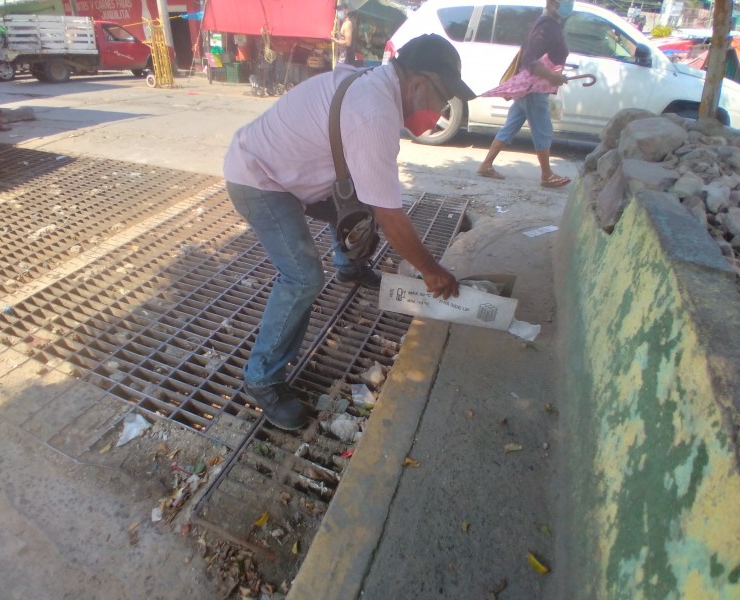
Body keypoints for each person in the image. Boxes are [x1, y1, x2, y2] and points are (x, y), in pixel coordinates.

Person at [224, 34, 473, 430]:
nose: (441, 110)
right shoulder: (374, 113)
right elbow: (392, 219)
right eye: (442, 98)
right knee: (303, 277)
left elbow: (378, 200)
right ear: (418, 83)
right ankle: (262, 379)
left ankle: (349, 266)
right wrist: (432, 270)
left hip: (295, 171)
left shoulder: (377, 83)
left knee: (367, 201)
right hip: (260, 178)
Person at [477, 0, 572, 188]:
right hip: (534, 89)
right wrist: (552, 76)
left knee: (510, 126)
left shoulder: (548, 24)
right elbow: (530, 60)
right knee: (543, 130)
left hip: (531, 88)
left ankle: (486, 165)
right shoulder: (546, 27)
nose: (570, 5)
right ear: (552, 3)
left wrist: (554, 76)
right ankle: (546, 175)